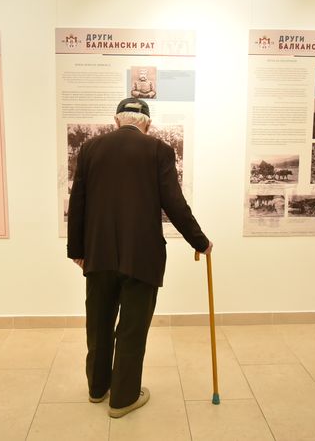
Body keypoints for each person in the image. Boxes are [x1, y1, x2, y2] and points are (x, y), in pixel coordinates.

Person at [67, 97, 211, 418]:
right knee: (132, 329)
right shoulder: (159, 150)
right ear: (147, 124)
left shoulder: (90, 148)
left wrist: (77, 250)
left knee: (98, 323)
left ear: (116, 120)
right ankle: (123, 398)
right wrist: (199, 242)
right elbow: (174, 203)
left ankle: (97, 389)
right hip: (142, 256)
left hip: (98, 253)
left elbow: (78, 202)